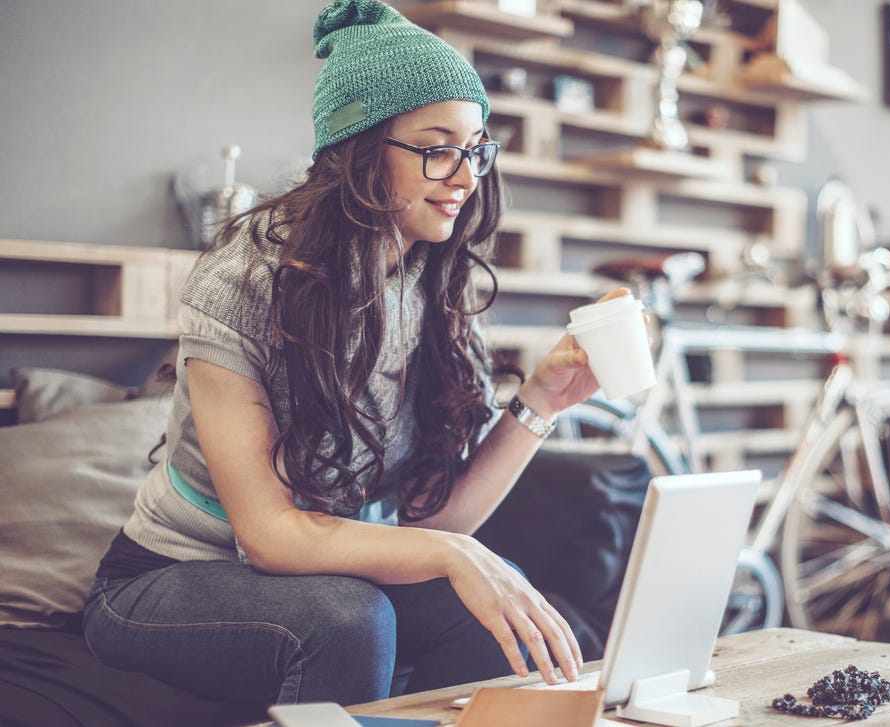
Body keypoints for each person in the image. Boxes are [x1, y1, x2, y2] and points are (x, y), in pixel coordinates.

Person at [82, 0, 615, 708]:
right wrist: (455, 557)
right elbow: (270, 536)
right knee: (349, 619)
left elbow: (434, 527)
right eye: (437, 147)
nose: (465, 175)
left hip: (317, 573)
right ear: (360, 151)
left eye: (476, 147)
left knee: (503, 616)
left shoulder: (434, 277)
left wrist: (540, 402)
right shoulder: (244, 280)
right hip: (167, 575)